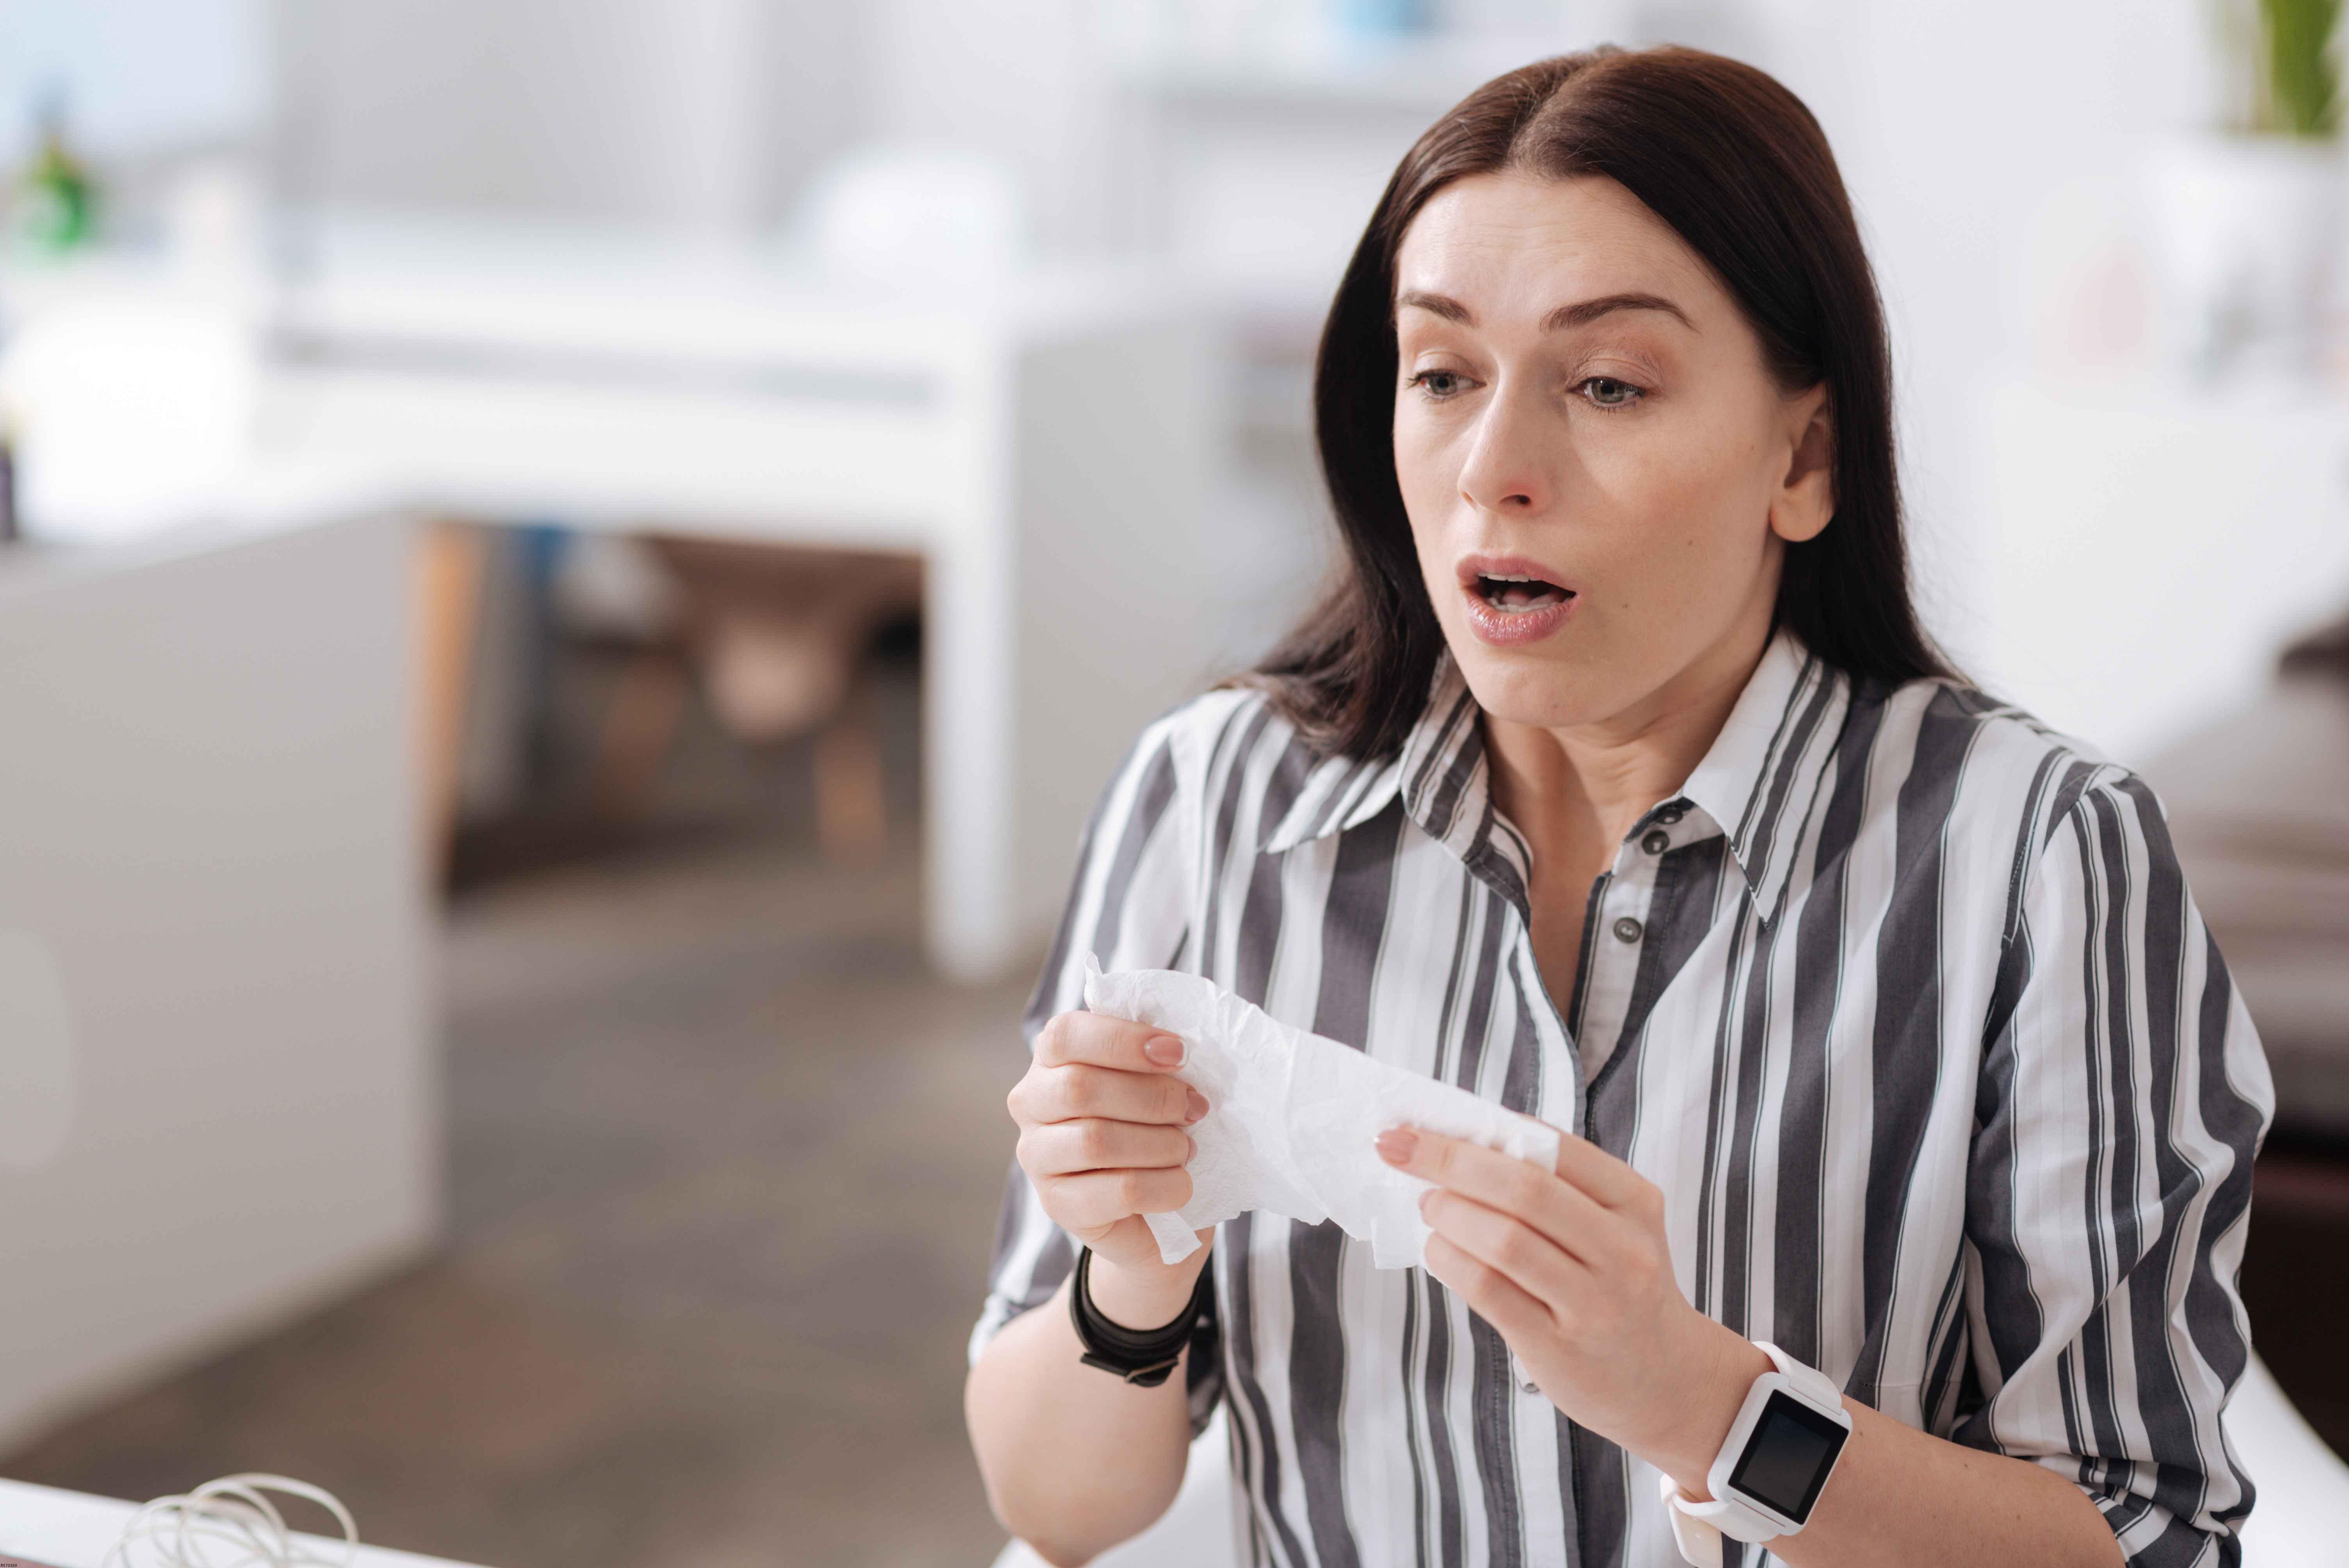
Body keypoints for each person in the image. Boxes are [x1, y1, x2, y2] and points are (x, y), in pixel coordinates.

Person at [963, 45, 2271, 1568]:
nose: (1494, 470)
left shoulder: (2038, 861)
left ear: (1804, 455)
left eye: (1606, 384)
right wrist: (1131, 1277)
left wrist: (1702, 1403)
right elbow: (1053, 1508)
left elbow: (2146, 1535)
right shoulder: (1211, 800)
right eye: (1443, 374)